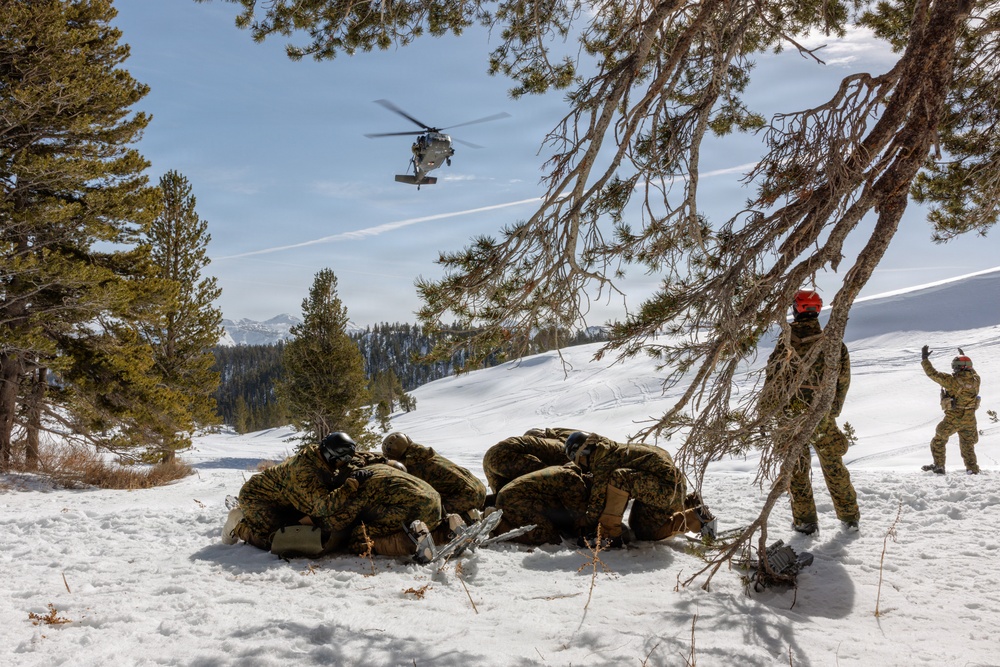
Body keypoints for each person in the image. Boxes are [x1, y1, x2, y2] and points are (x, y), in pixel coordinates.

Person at [766, 290, 860, 535]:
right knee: (834, 466)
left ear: (796, 310)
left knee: (797, 470)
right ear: (817, 310)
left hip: (792, 418)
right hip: (822, 417)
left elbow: (773, 382)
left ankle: (806, 522)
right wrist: (831, 411)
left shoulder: (785, 344)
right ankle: (850, 518)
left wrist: (773, 414)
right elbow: (842, 382)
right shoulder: (834, 343)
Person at [565, 431, 716, 547]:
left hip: (666, 490)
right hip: (671, 489)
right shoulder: (613, 450)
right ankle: (691, 507)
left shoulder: (602, 462)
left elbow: (598, 501)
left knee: (620, 479)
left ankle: (608, 535)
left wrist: (584, 523)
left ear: (581, 453)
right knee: (640, 528)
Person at [222, 432, 364, 550]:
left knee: (298, 524)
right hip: (257, 498)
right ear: (332, 457)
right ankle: (239, 521)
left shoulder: (319, 454)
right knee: (278, 541)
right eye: (343, 460)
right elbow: (322, 507)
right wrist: (349, 487)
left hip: (285, 499)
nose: (345, 464)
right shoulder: (304, 471)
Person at [311, 462, 458, 561]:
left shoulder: (359, 485)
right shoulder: (379, 467)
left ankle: (413, 543)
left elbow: (342, 519)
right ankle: (447, 531)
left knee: (358, 538)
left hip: (413, 509)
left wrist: (318, 521)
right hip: (435, 501)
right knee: (388, 516)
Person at [381, 432, 487, 522]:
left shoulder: (411, 466)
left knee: (428, 512)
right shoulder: (426, 452)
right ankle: (479, 512)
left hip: (466, 497)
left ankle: (470, 518)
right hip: (479, 488)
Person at [492, 463, 592, 546]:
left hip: (513, 498)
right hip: (515, 501)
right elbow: (579, 514)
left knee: (552, 528)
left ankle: (503, 518)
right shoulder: (574, 481)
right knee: (547, 537)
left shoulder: (564, 471)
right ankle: (499, 527)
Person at [920, 346, 981, 475]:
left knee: (939, 440)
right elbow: (972, 372)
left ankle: (939, 466)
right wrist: (964, 358)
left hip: (953, 418)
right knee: (967, 445)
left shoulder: (952, 381)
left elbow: (932, 373)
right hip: (970, 420)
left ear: (957, 367)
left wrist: (925, 359)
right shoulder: (976, 380)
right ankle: (972, 470)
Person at [481, 428, 576, 497]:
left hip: (488, 457)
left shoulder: (545, 442)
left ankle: (478, 509)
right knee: (548, 480)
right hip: (505, 453)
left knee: (503, 494)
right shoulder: (559, 446)